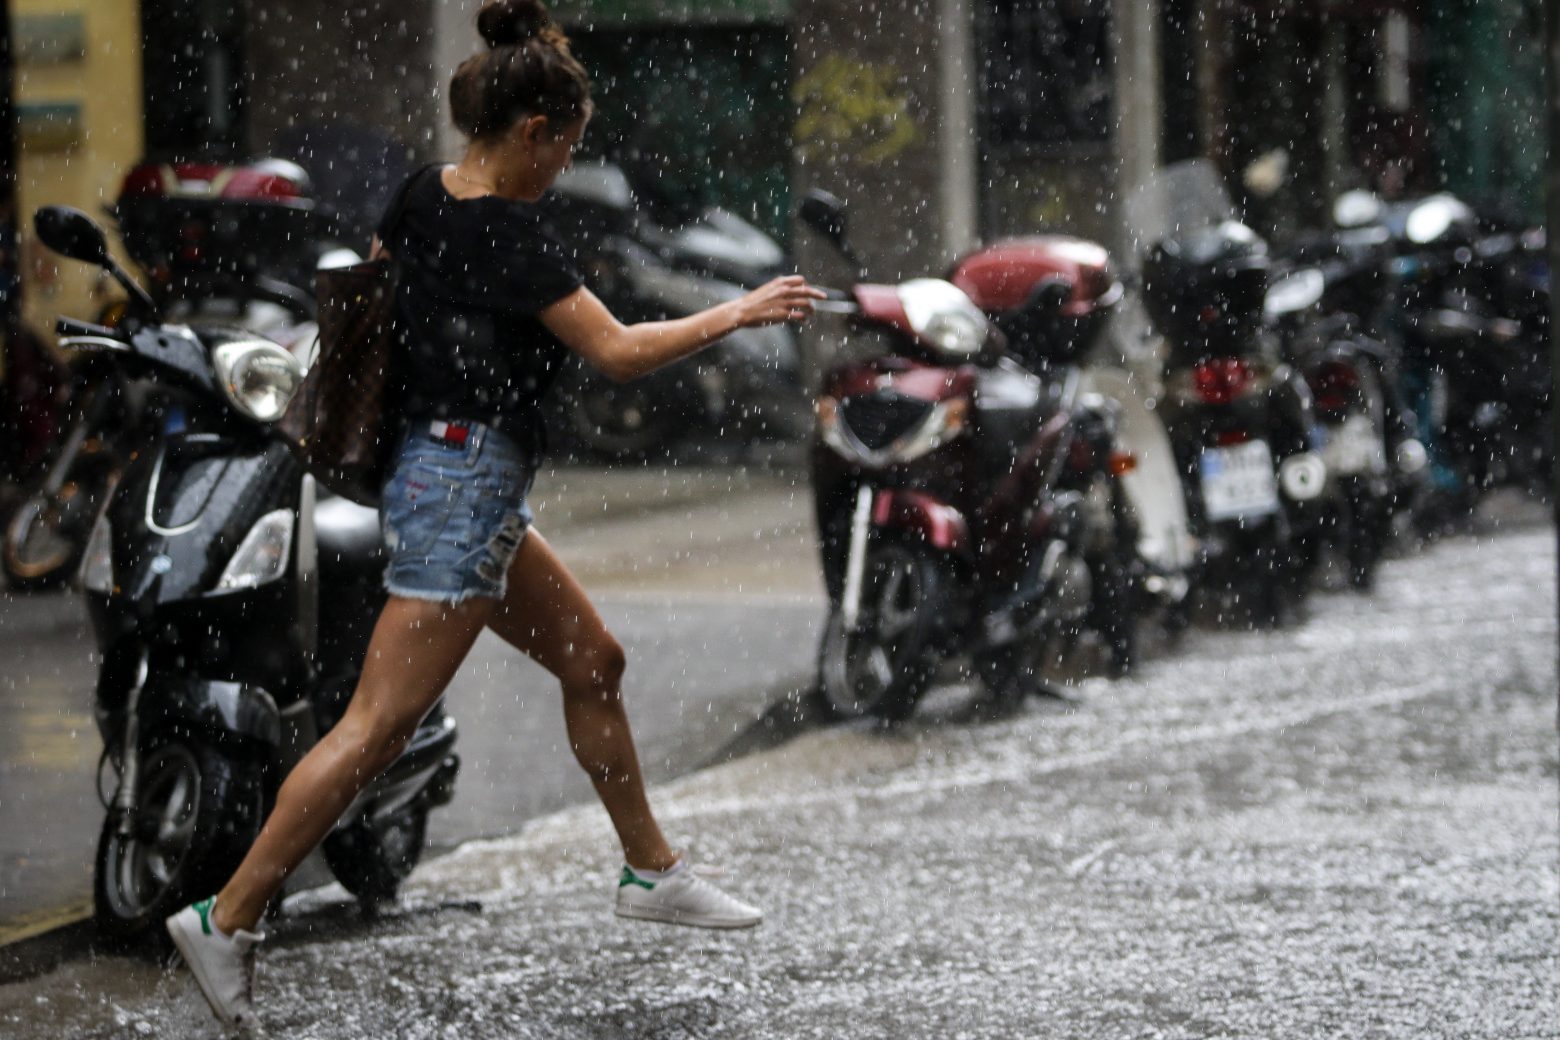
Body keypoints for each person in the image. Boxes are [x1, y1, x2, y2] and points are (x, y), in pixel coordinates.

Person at [164, 0, 824, 1029]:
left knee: (594, 660)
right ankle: (228, 913)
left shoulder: (423, 194)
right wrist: (739, 310)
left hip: (450, 479)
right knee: (375, 727)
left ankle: (651, 869)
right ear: (531, 133)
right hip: (460, 489)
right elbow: (617, 349)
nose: (564, 165)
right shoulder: (509, 232)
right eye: (564, 147)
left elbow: (380, 294)